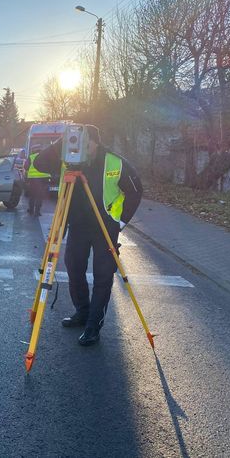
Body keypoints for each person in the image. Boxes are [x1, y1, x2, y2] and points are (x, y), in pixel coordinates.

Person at [33, 125, 143, 346]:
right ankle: (82, 312)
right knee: (74, 269)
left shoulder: (114, 161)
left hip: (105, 227)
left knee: (103, 277)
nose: (82, 147)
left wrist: (120, 222)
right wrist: (63, 143)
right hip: (77, 225)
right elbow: (38, 163)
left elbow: (136, 190)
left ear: (96, 142)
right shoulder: (69, 159)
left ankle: (94, 325)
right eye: (78, 141)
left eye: (86, 142)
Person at [24, 151, 50, 216]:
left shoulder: (31, 157)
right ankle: (37, 211)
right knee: (40, 196)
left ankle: (31, 210)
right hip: (44, 179)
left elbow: (26, 167)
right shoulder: (46, 157)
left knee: (32, 195)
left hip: (33, 179)